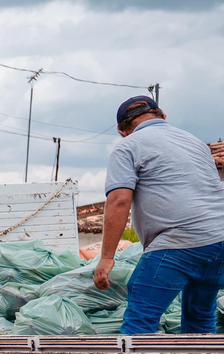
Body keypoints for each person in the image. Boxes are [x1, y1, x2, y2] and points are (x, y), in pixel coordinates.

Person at [95, 95, 224, 334]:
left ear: (122, 131)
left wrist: (106, 258)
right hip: (219, 241)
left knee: (141, 318)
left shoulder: (127, 147)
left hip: (178, 243)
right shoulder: (194, 142)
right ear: (163, 116)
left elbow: (119, 200)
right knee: (200, 317)